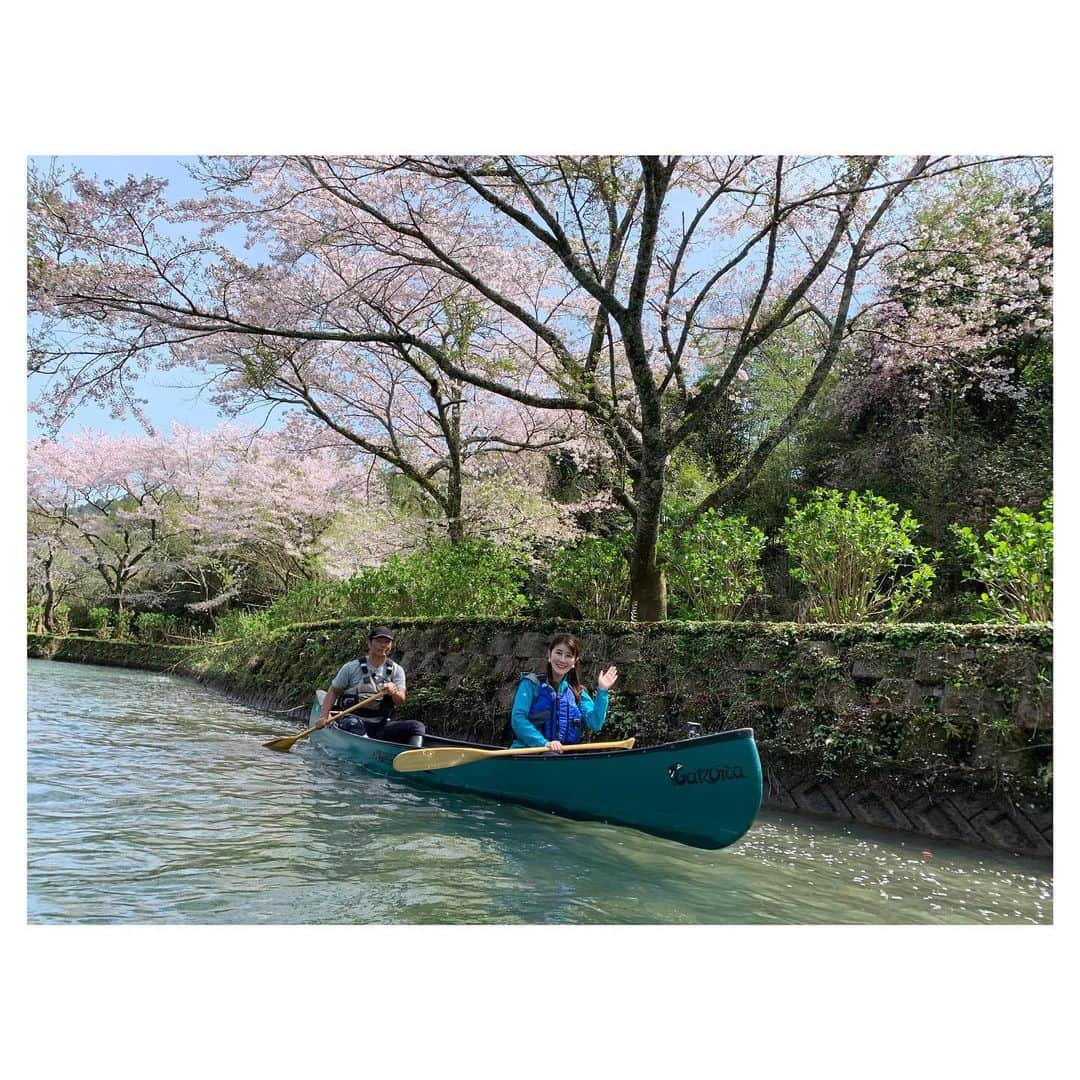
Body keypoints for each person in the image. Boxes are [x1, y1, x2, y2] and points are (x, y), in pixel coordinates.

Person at [315, 626, 424, 747]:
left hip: (379, 724)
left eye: (387, 642)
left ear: (391, 646)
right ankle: (368, 748)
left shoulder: (397, 670)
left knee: (417, 727)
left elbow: (400, 700)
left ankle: (414, 755)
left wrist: (394, 691)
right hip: (352, 720)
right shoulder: (350, 668)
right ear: (369, 643)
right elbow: (333, 691)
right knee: (353, 724)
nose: (383, 645)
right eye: (378, 641)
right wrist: (324, 717)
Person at [509, 633, 618, 752]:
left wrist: (602, 691)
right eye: (559, 653)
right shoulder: (530, 684)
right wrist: (544, 744)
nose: (562, 660)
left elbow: (595, 723)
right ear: (549, 655)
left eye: (568, 656)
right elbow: (518, 719)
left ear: (574, 662)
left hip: (563, 755)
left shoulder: (577, 692)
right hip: (529, 752)